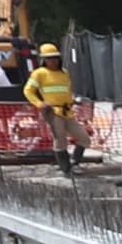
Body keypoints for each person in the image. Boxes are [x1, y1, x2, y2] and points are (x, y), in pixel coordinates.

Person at [25, 43, 83, 173]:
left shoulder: (64, 73)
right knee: (60, 139)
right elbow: (28, 91)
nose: (53, 60)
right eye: (49, 58)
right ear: (44, 60)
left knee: (84, 138)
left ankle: (74, 162)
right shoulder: (39, 73)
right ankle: (66, 169)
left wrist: (72, 101)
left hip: (67, 111)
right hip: (52, 112)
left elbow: (66, 91)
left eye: (55, 57)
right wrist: (40, 104)